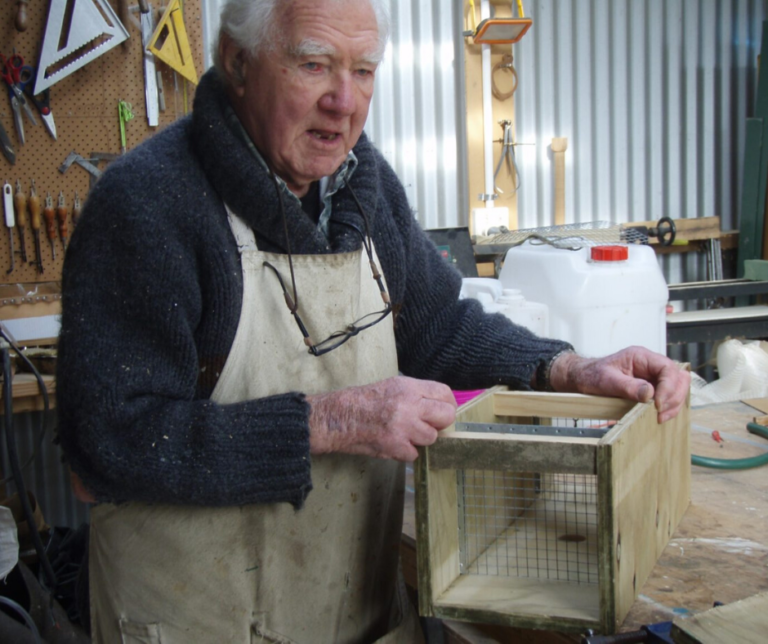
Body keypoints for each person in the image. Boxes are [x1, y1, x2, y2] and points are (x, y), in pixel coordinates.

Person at [55, 0, 690, 642]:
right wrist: (334, 421)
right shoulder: (148, 206)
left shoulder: (363, 185)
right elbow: (105, 448)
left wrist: (570, 367)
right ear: (238, 63)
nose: (344, 101)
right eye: (314, 65)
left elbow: (438, 327)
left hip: (355, 613)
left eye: (363, 70)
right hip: (198, 622)